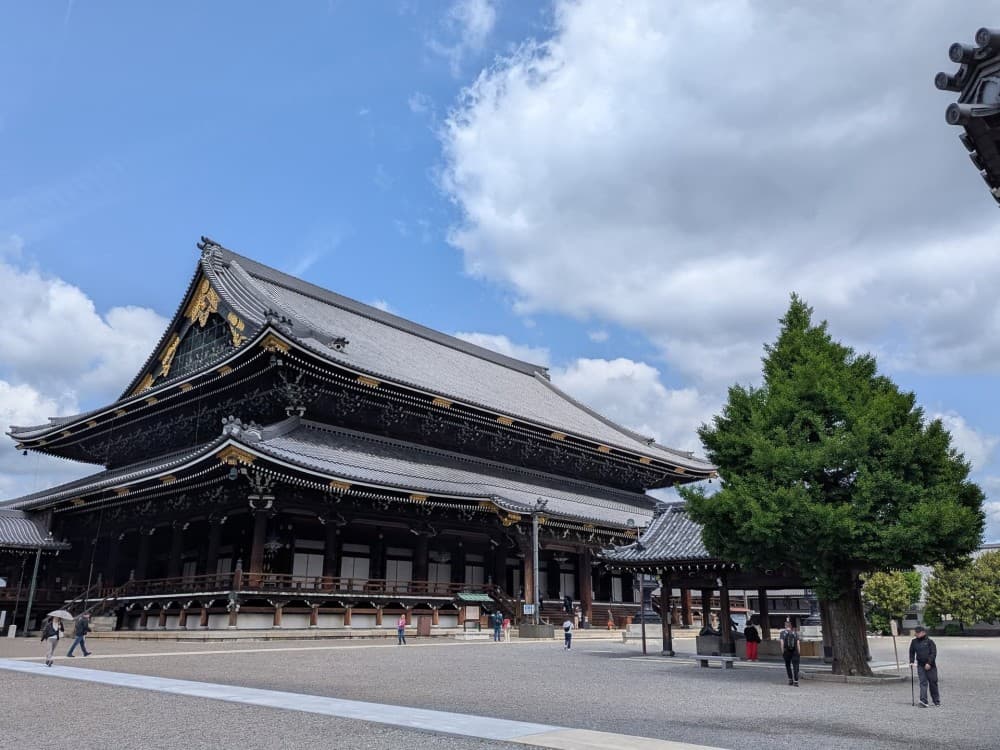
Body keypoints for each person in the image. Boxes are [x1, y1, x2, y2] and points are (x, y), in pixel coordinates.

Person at [909, 625, 940, 707]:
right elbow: (911, 652)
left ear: (923, 633)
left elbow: (933, 653)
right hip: (920, 665)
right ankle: (923, 701)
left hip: (931, 666)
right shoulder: (914, 642)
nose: (916, 634)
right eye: (916, 633)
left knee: (933, 682)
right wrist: (911, 662)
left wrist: (929, 663)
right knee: (923, 682)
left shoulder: (930, 642)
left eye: (918, 633)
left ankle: (936, 700)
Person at [779, 619, 800, 686]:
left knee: (788, 666)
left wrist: (783, 652)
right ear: (791, 626)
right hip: (795, 651)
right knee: (795, 666)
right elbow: (798, 643)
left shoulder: (782, 633)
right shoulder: (795, 633)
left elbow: (782, 643)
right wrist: (799, 652)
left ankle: (790, 680)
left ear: (785, 626)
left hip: (787, 652)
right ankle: (796, 681)